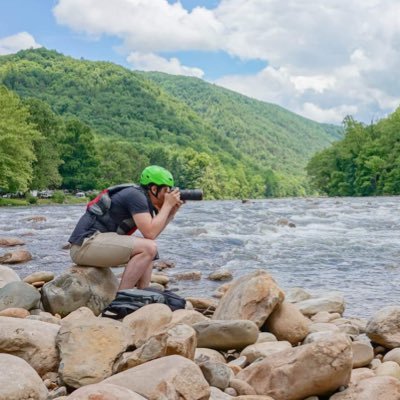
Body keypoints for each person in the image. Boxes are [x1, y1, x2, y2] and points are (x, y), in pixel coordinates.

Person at [68, 165, 183, 290]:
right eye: (166, 191)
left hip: (92, 244)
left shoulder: (143, 199)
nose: (169, 195)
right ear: (154, 188)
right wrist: (167, 205)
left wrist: (171, 213)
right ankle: (122, 298)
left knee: (150, 247)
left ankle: (142, 293)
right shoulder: (135, 196)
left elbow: (152, 234)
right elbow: (150, 233)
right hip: (83, 246)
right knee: (149, 248)